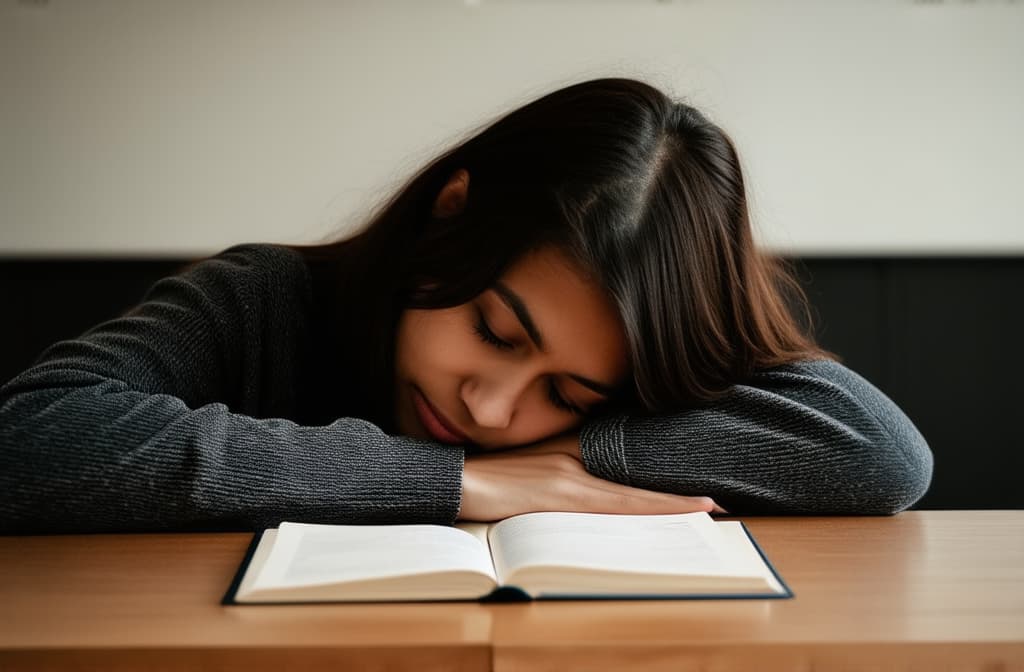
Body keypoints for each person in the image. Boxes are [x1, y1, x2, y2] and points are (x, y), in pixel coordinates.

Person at [0, 78, 932, 535]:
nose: (492, 410)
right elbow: (31, 437)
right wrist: (451, 481)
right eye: (493, 330)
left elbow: (878, 453)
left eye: (566, 392)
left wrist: (568, 453)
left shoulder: (632, 385)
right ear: (453, 214)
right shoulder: (263, 299)